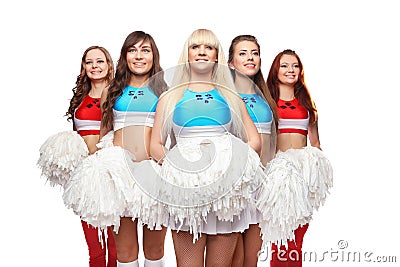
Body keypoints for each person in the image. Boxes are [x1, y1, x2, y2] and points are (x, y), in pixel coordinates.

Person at [148, 28, 264, 266]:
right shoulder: (169, 97)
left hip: (225, 196)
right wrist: (181, 170)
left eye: (209, 47)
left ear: (216, 56)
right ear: (187, 54)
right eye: (196, 47)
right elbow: (155, 145)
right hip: (186, 194)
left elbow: (254, 141)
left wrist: (232, 168)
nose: (202, 52)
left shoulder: (231, 97)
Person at [63, 31, 169, 267]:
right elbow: (103, 135)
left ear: (154, 55)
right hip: (120, 175)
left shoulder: (165, 91)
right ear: (124, 56)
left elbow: (168, 136)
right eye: (133, 50)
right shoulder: (112, 91)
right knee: (125, 251)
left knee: (155, 249)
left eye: (145, 50)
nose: (139, 56)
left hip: (154, 175)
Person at [38, 46, 117, 267]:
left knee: (115, 243)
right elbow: (76, 133)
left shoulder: (117, 94)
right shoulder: (80, 96)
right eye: (89, 62)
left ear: (109, 64)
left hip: (109, 172)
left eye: (100, 61)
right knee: (94, 246)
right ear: (84, 66)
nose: (95, 66)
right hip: (84, 175)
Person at [257, 49, 333, 267]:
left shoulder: (307, 103)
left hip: (302, 175)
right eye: (284, 65)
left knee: (297, 240)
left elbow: (315, 143)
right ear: (275, 70)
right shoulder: (267, 102)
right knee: (279, 239)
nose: (290, 70)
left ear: (300, 71)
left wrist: (317, 174)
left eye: (295, 66)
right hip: (277, 176)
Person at [227, 35, 278, 266]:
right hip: (236, 186)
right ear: (231, 62)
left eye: (254, 53)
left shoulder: (265, 98)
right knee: (232, 258)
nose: (250, 58)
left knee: (252, 259)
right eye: (243, 53)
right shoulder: (225, 97)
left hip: (262, 186)